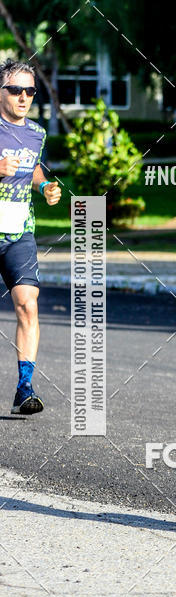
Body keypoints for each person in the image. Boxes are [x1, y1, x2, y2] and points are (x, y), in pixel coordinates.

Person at [0, 59, 61, 414]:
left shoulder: (37, 133)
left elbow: (34, 167)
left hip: (19, 231)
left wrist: (44, 187)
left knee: (28, 303)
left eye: (30, 91)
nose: (24, 97)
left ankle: (25, 386)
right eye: (16, 90)